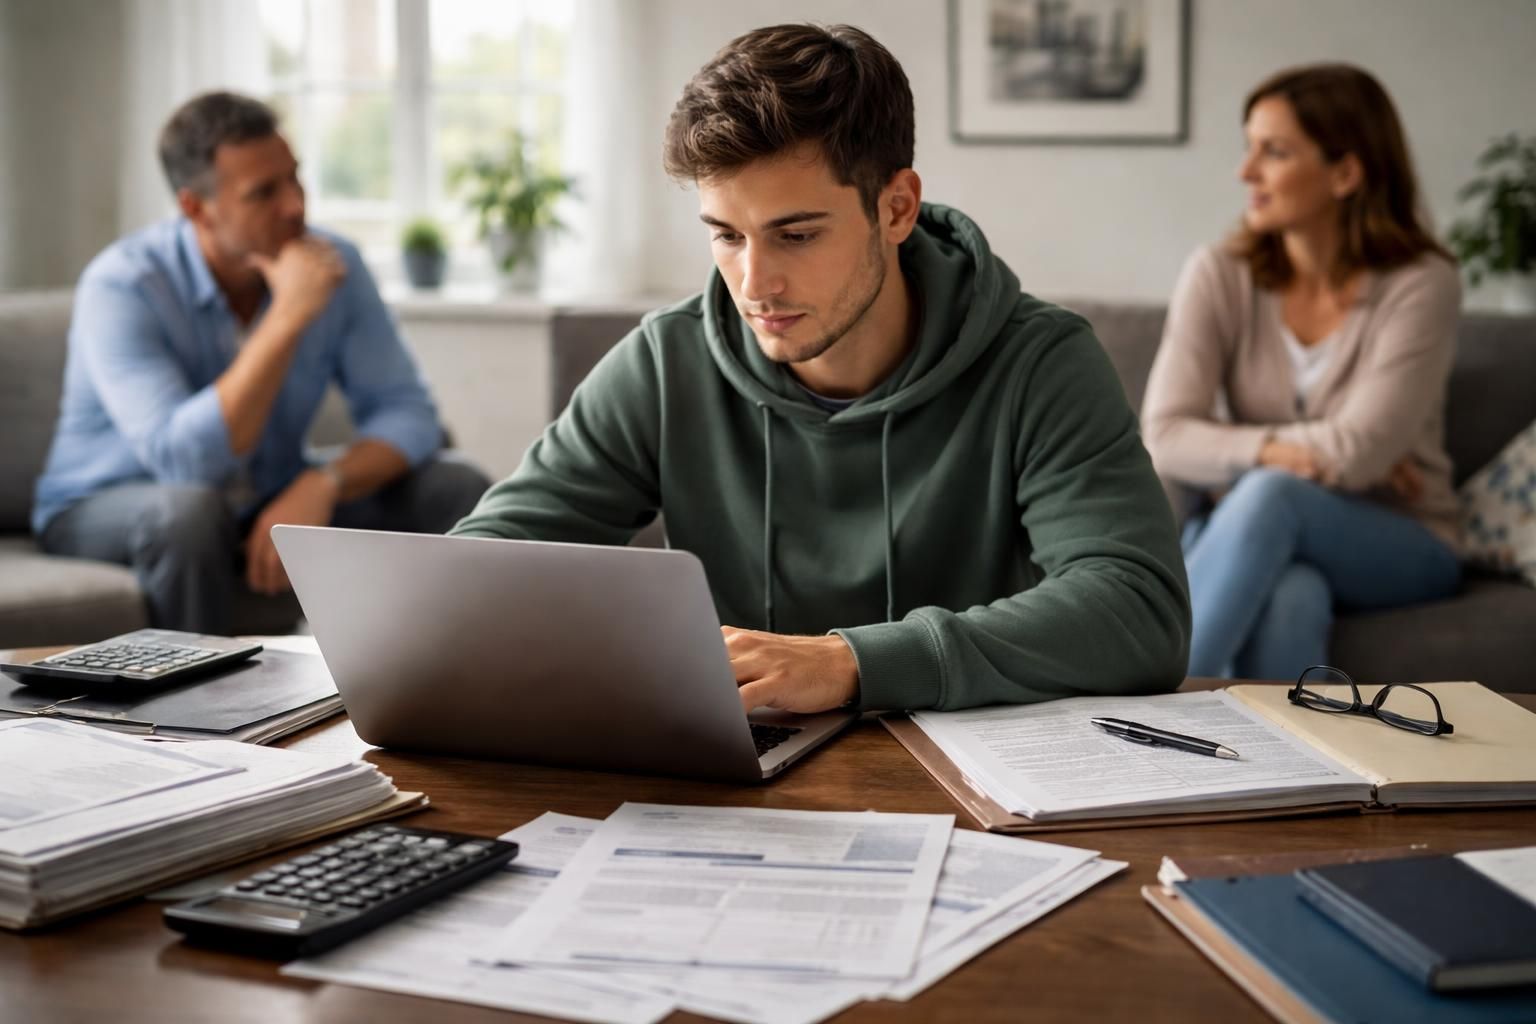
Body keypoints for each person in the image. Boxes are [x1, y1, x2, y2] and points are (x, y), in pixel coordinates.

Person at [451, 23, 1189, 714]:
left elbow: (1139, 610)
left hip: (977, 779)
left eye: (796, 235)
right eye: (727, 236)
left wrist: (853, 663)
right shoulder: (666, 361)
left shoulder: (1041, 361)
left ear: (896, 209)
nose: (754, 284)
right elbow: (477, 569)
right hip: (744, 773)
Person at [33, 91, 489, 635]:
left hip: (263, 497)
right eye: (264, 193)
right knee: (188, 513)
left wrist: (325, 481)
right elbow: (185, 464)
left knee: (454, 484)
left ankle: (456, 681)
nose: (295, 206)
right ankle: (194, 691)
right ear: (195, 208)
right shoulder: (122, 286)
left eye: (295, 178)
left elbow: (410, 412)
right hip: (107, 504)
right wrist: (288, 316)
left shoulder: (333, 263)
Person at [1140, 63, 1463, 681]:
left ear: (1345, 173)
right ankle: (1285, 747)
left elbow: (1359, 450)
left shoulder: (1422, 284)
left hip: (1404, 536)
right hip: (1264, 531)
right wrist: (1283, 453)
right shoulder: (1219, 273)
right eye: (1249, 147)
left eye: (1275, 152)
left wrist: (1243, 463)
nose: (1246, 172)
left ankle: (1149, 701)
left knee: (1272, 495)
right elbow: (1165, 435)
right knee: (1293, 594)